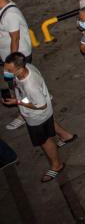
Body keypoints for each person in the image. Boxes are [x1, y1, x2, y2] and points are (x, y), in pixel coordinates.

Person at [2, 53, 75, 183]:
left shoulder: (30, 85)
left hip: (37, 116)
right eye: (5, 68)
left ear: (20, 68)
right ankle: (66, 136)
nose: (6, 72)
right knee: (49, 121)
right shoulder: (28, 66)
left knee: (44, 140)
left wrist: (17, 102)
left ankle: (57, 165)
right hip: (45, 112)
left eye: (9, 70)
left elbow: (40, 105)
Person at [0, 0, 32, 131]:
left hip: (16, 60)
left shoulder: (10, 14)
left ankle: (25, 114)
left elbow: (15, 39)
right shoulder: (3, 11)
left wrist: (11, 64)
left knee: (20, 88)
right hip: (7, 58)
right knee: (16, 86)